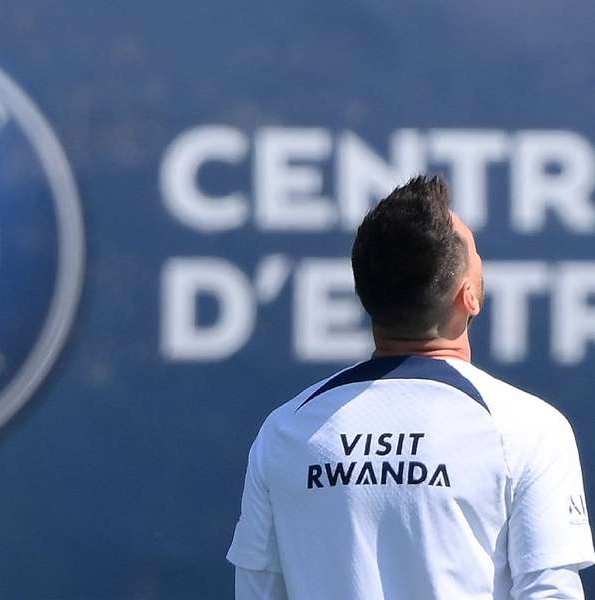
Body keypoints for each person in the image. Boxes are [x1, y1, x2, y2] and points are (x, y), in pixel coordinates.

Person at [227, 175, 595, 599]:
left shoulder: (286, 431)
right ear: (468, 296)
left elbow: (256, 592)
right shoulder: (529, 430)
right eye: (475, 253)